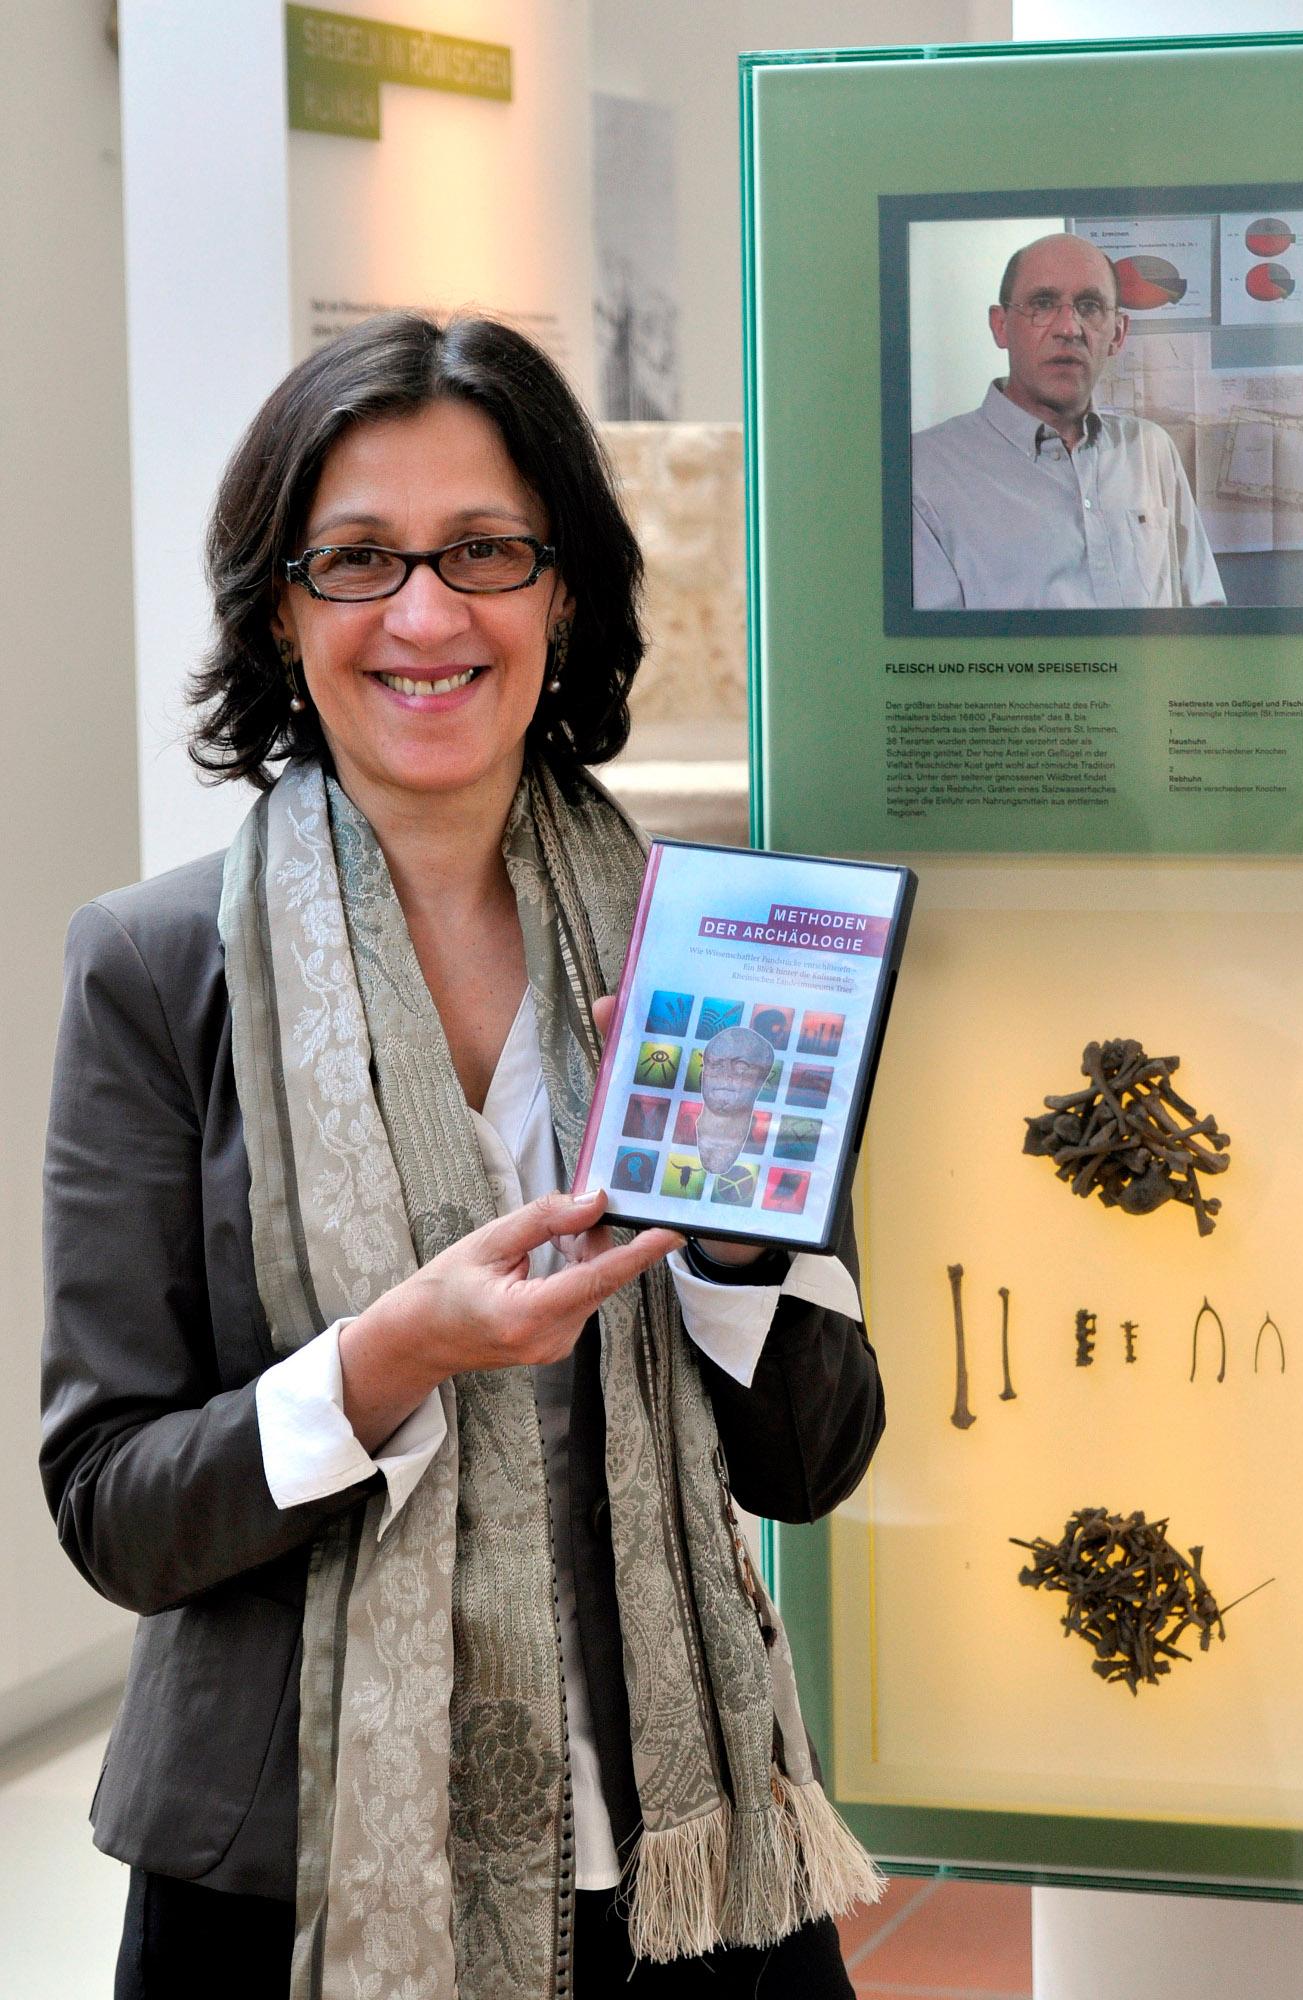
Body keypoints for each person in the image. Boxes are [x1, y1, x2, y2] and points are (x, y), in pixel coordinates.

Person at [40, 314, 885, 1998]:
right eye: (357, 560)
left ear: (561, 591)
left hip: (682, 1869)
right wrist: (384, 1362)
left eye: (484, 551)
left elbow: (811, 1459)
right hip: (290, 1885)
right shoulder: (157, 970)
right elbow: (116, 1511)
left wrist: (722, 1247)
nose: (424, 614)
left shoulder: (706, 951)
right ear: (278, 609)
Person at [912, 231, 1224, 611]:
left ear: (1118, 334)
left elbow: (1206, 619)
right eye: (1042, 304)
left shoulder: (1150, 451)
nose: (1069, 328)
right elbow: (932, 661)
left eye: (1090, 306)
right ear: (1000, 326)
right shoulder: (923, 471)